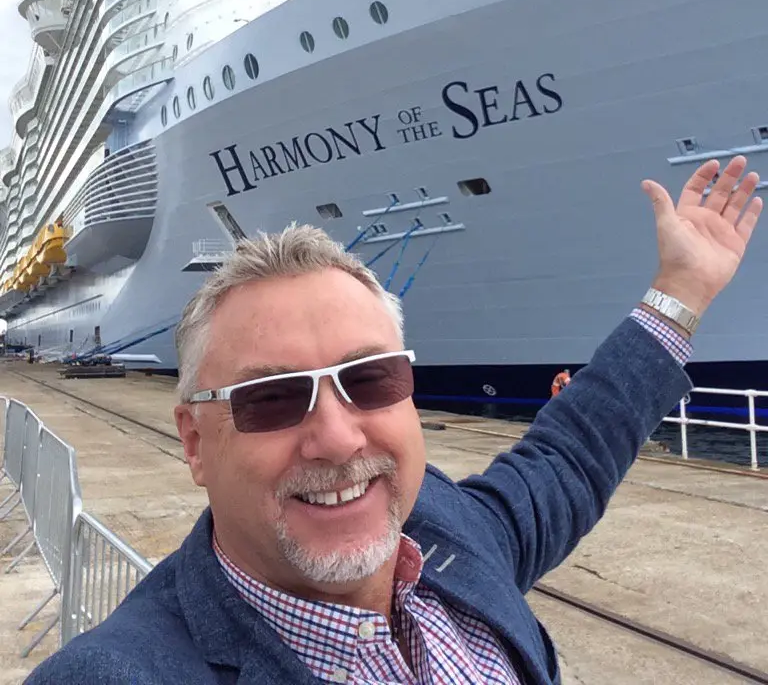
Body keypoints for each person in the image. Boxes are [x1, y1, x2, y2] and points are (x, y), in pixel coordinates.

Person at [25, 156, 762, 684]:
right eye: (273, 397)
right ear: (194, 440)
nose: (339, 438)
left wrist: (681, 289)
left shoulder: (445, 528)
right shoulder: (121, 671)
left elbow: (571, 455)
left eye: (370, 378)